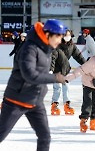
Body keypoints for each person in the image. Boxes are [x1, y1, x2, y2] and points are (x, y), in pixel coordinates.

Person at [0, 19, 66, 151]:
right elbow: (29, 75)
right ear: (48, 34)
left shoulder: (46, 48)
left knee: (45, 137)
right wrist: (54, 78)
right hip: (16, 100)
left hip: (35, 101)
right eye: (58, 36)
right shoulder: (29, 48)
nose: (60, 40)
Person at [50, 29, 86, 115]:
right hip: (57, 70)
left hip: (65, 70)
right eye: (65, 35)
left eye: (69, 35)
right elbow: (53, 58)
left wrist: (86, 65)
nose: (67, 37)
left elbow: (78, 56)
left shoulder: (72, 46)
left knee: (66, 88)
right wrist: (51, 69)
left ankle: (67, 105)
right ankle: (54, 105)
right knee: (57, 88)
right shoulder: (57, 45)